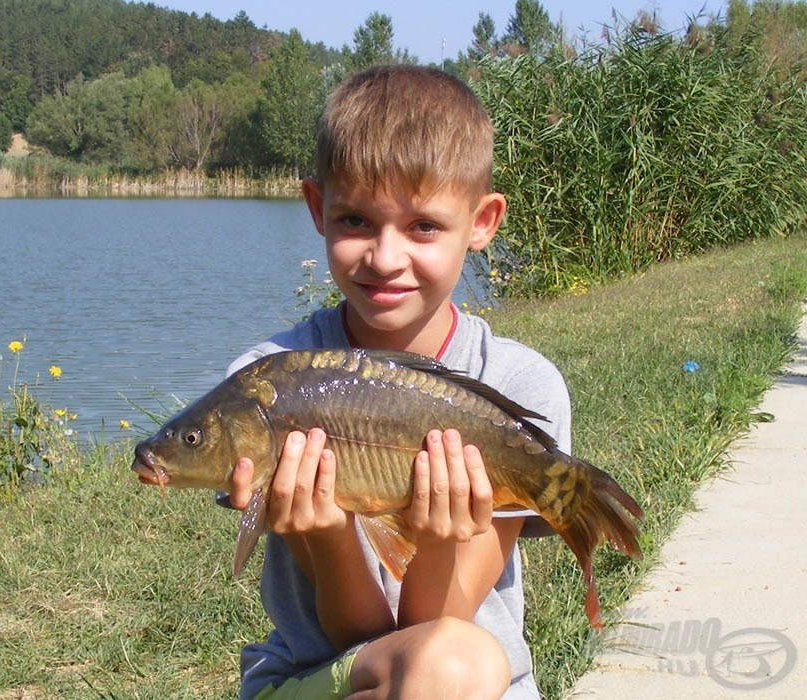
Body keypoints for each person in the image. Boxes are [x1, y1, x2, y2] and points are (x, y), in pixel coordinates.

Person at [225, 64, 571, 700]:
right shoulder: (266, 385)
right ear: (315, 209)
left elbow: (435, 634)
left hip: (467, 679)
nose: (385, 257)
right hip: (323, 678)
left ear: (483, 222)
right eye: (355, 219)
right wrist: (324, 531)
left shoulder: (521, 387)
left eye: (424, 226)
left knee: (452, 662)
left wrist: (438, 544)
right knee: (445, 667)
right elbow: (355, 635)